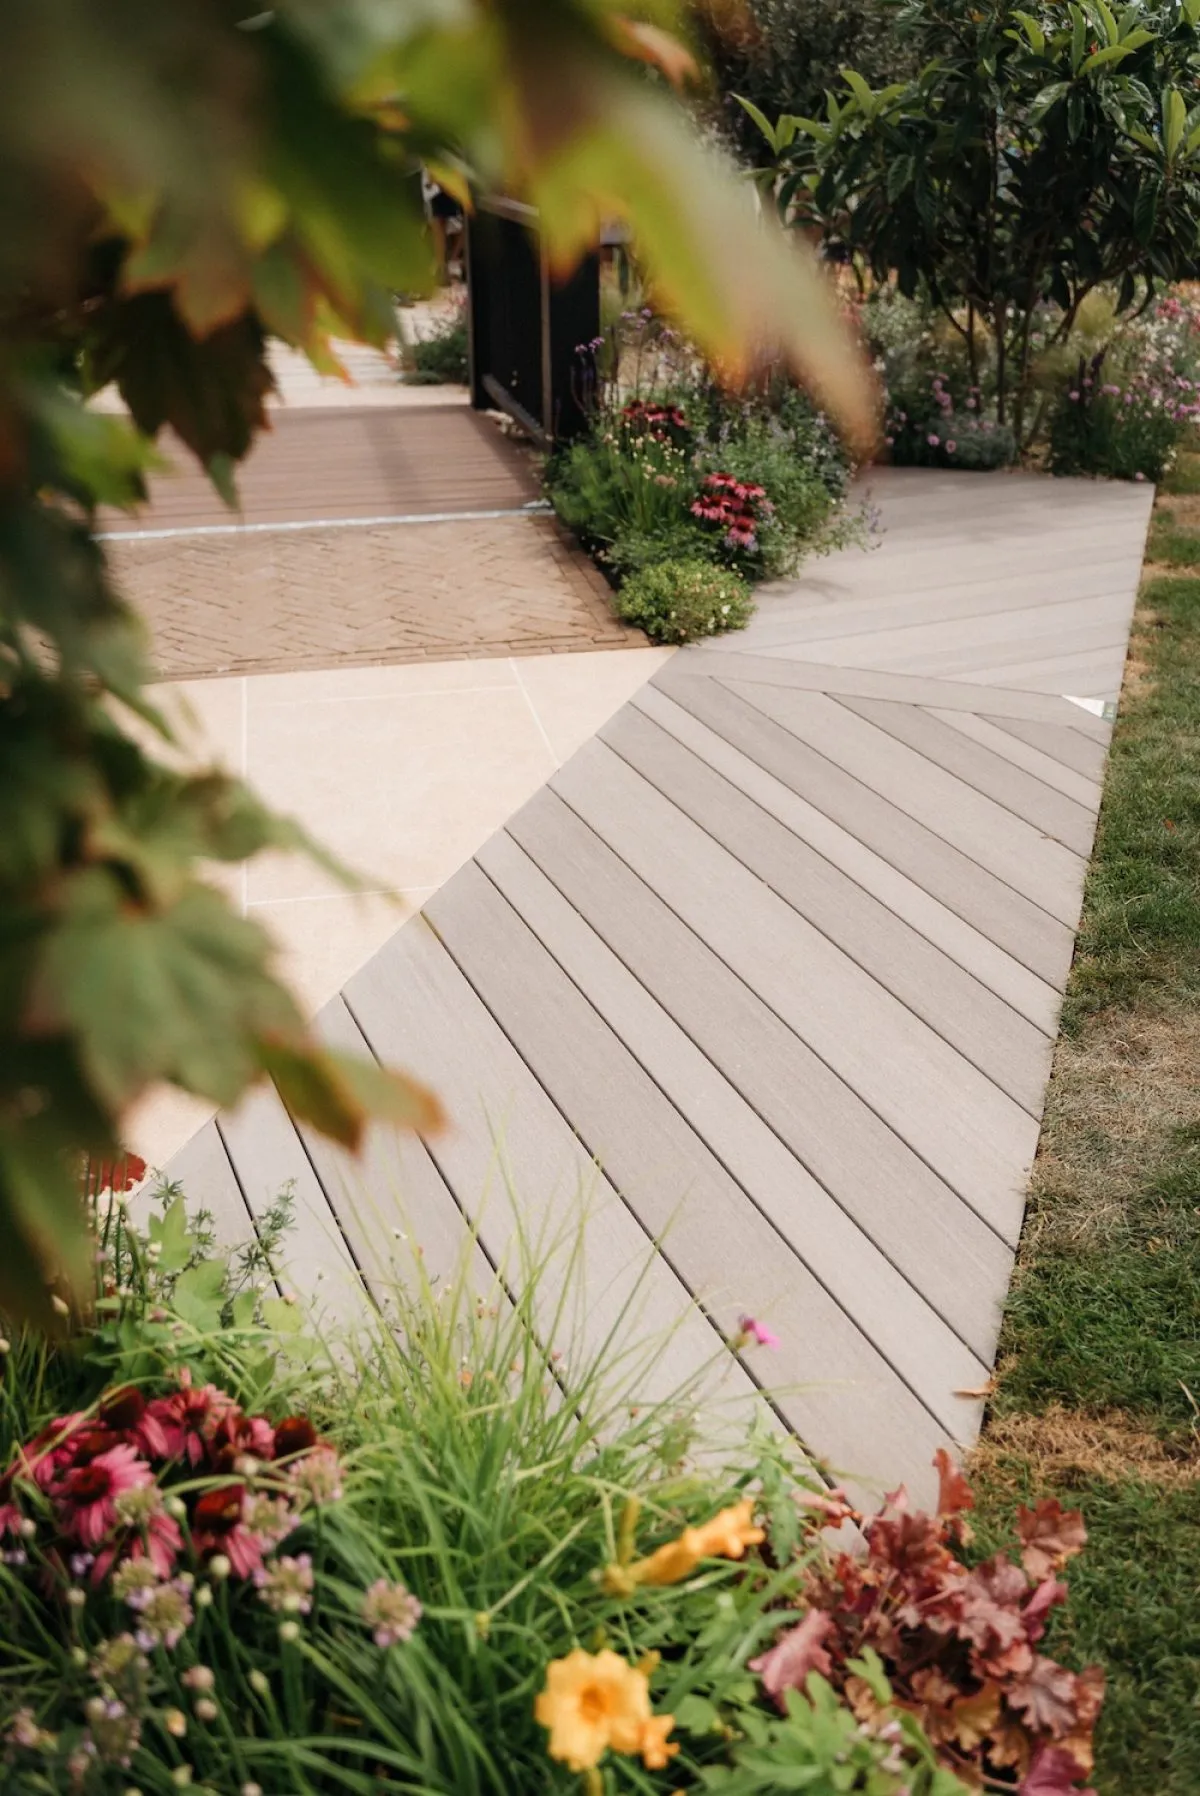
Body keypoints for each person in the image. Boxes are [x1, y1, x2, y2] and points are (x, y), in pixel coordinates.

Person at [422, 172, 463, 284]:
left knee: (461, 224)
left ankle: (451, 262)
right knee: (438, 221)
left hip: (456, 181)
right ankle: (442, 267)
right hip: (439, 185)